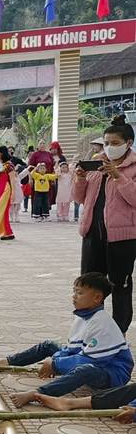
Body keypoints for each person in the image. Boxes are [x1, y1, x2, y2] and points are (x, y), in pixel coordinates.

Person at [0, 273, 133, 408]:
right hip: (91, 362)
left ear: (97, 298)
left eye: (80, 293)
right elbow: (72, 349)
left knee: (84, 370)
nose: (74, 296)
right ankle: (5, 362)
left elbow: (90, 360)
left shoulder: (102, 324)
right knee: (49, 345)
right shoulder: (83, 316)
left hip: (112, 374)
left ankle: (37, 394)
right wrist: (55, 359)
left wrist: (55, 364)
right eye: (74, 291)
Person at [75, 115, 136, 334]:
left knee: (120, 286)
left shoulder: (133, 167)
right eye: (107, 142)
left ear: (128, 143)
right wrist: (81, 178)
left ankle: (118, 334)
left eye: (115, 143)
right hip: (92, 234)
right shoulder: (97, 163)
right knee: (89, 285)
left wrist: (119, 176)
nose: (110, 147)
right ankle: (88, 330)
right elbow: (79, 198)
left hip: (122, 238)